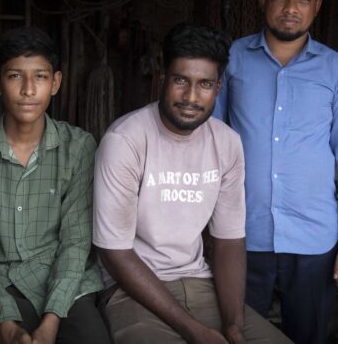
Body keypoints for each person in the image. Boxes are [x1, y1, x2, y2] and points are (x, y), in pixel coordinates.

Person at [93, 23, 291, 344]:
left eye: (205, 84)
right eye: (181, 80)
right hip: (130, 290)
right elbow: (115, 253)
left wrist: (234, 326)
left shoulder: (227, 143)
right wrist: (194, 331)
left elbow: (229, 241)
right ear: (162, 77)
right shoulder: (125, 140)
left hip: (200, 283)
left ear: (218, 87)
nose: (191, 97)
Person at [213, 0, 338, 344]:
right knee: (236, 335)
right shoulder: (232, 59)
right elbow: (208, 140)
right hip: (241, 234)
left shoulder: (336, 70)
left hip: (314, 238)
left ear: (316, 6)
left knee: (307, 336)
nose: (291, 8)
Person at [0, 27, 110, 344]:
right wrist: (4, 323)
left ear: (56, 83)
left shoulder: (79, 147)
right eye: (15, 76)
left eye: (40, 77)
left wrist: (51, 322)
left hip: (65, 285)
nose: (28, 90)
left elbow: (75, 243)